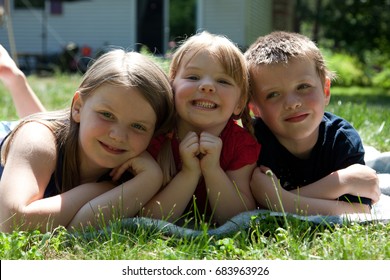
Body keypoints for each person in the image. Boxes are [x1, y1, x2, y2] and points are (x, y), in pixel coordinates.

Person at [0, 48, 175, 233]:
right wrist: (98, 190)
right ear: (78, 108)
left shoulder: (133, 170)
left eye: (138, 126)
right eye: (107, 115)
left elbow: (78, 228)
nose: (118, 135)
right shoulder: (37, 138)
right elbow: (12, 223)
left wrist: (150, 179)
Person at [244, 31, 380, 216]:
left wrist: (278, 200)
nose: (292, 103)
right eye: (273, 94)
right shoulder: (252, 141)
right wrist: (342, 183)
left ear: (325, 91)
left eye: (303, 87)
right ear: (255, 109)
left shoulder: (341, 140)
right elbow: (244, 206)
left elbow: (359, 210)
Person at [143, 31, 261, 225]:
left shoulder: (241, 145)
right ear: (171, 86)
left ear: (240, 103)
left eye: (222, 81)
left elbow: (239, 220)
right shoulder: (155, 136)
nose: (207, 86)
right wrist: (189, 173)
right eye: (193, 77)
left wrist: (212, 170)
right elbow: (148, 220)